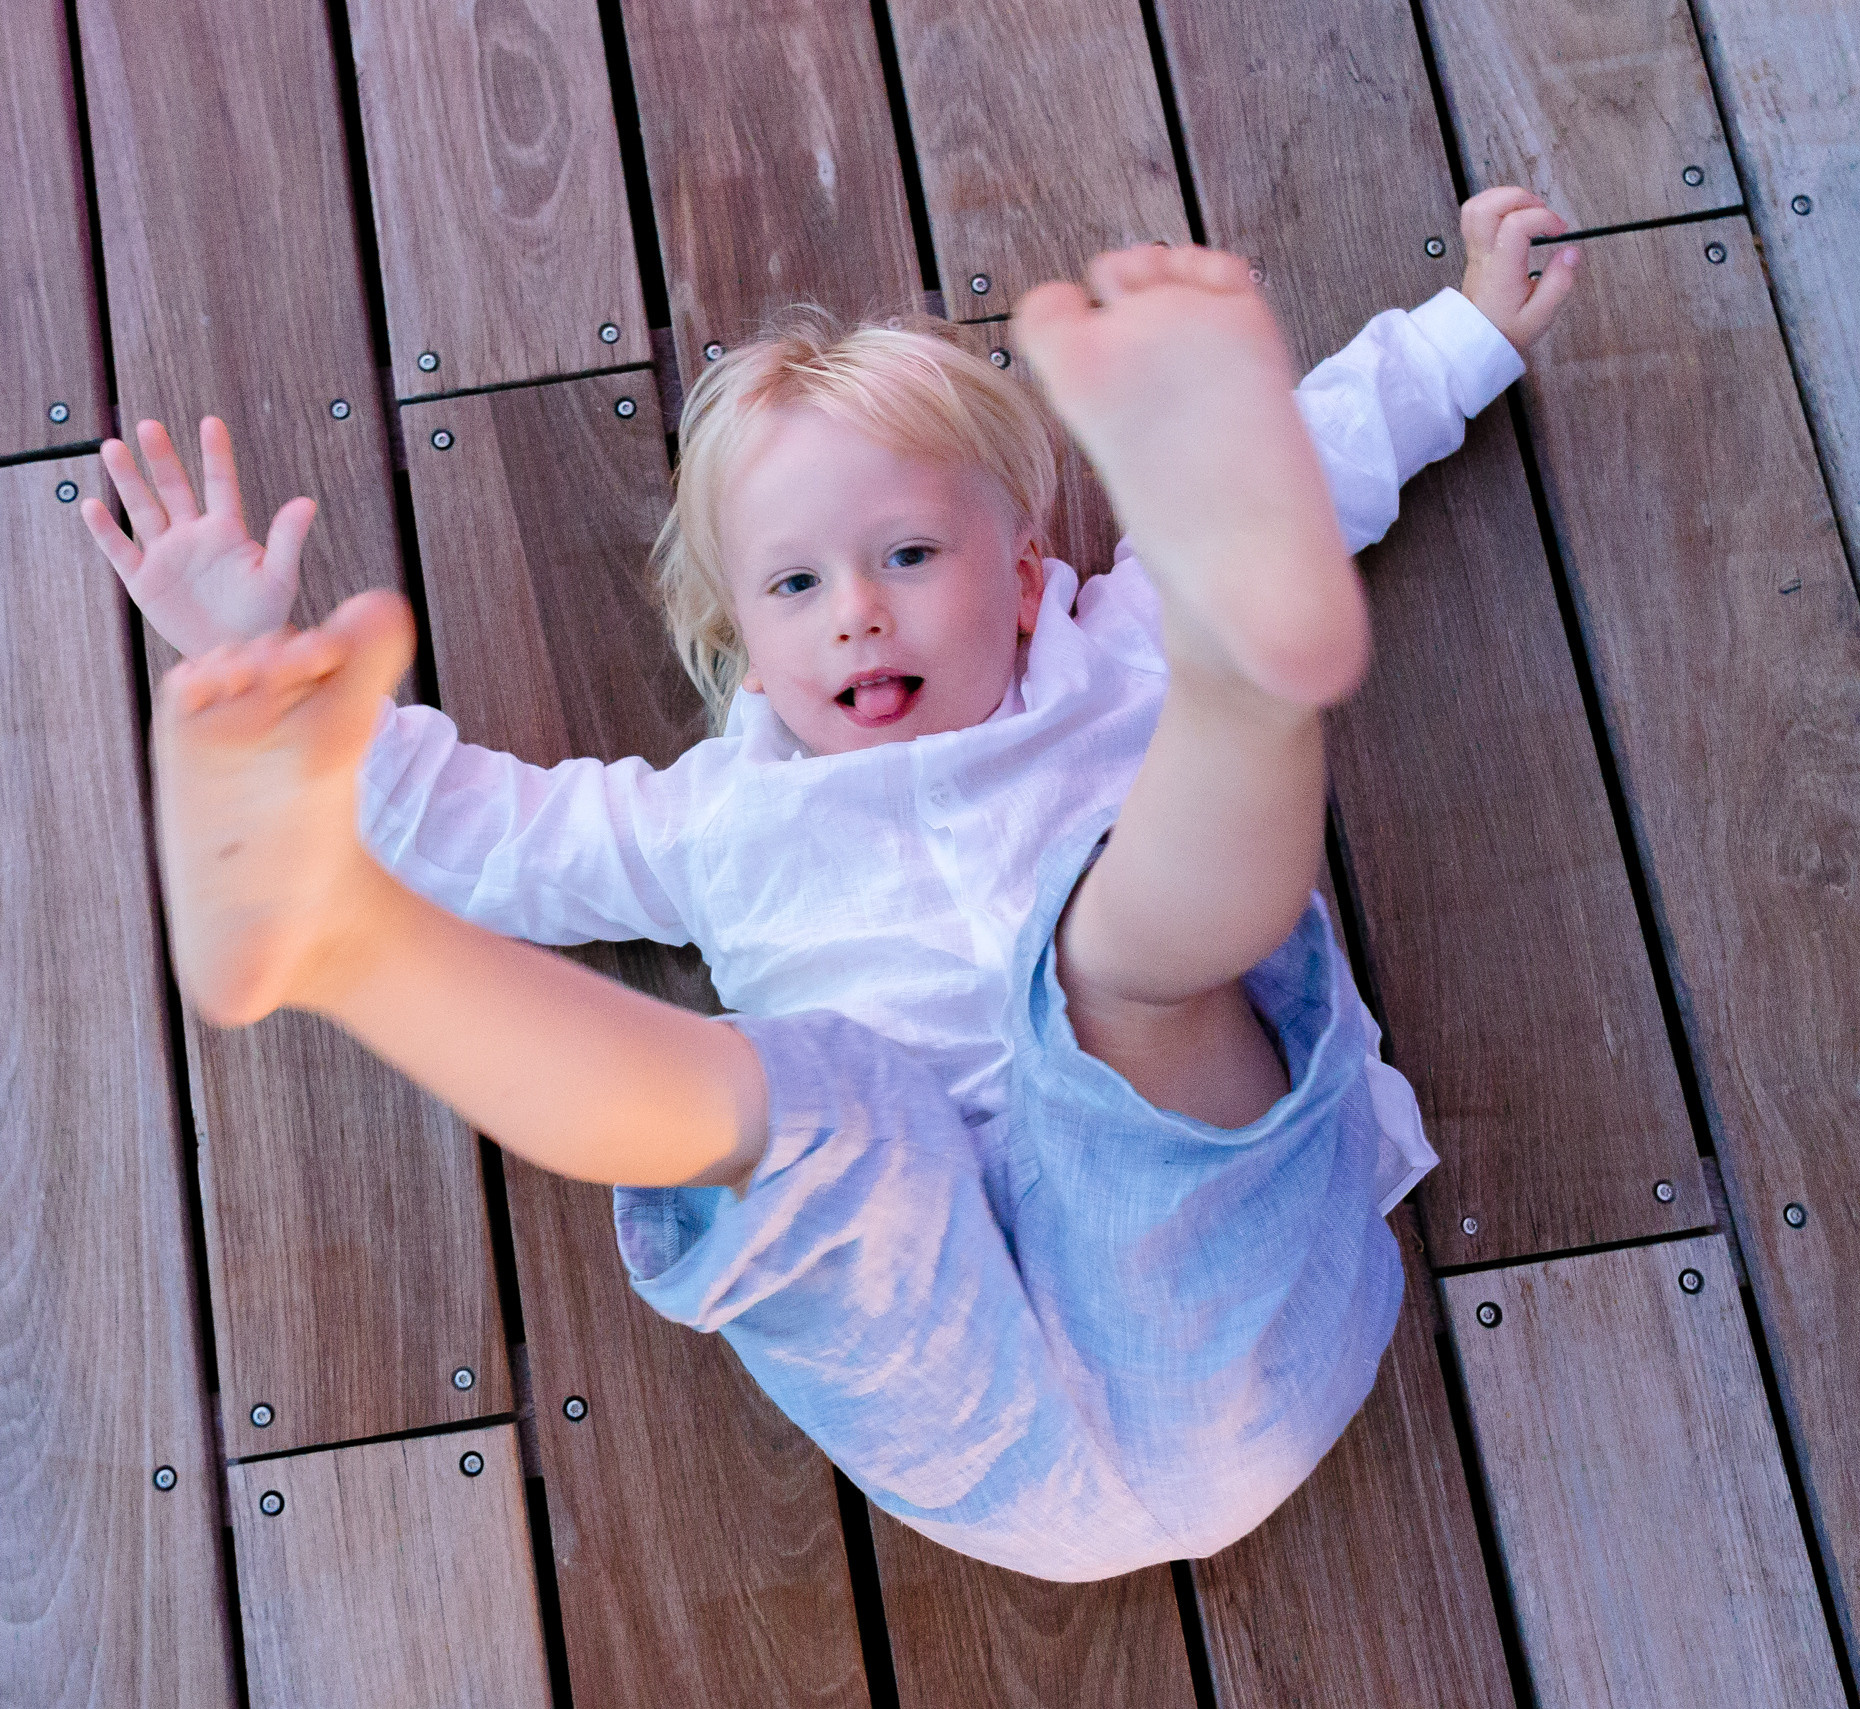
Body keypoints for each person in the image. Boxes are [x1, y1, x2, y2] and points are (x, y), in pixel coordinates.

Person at [83, 189, 1579, 1580]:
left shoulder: (1113, 651)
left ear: (1024, 565)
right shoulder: (715, 821)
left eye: (910, 551)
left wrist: (1469, 330)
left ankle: (1251, 683)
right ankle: (345, 945)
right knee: (799, 1112)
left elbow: (1311, 464)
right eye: (796, 585)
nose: (858, 612)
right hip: (971, 1431)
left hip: (1231, 1298)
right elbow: (497, 835)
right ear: (739, 633)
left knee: (1107, 970)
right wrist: (255, 670)